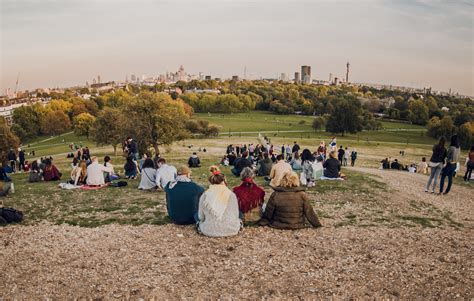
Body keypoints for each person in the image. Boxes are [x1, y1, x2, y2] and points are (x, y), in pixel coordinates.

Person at [196, 166, 241, 237]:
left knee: (197, 216)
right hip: (232, 230)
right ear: (224, 181)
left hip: (209, 230)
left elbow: (201, 217)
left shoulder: (205, 195)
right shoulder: (231, 194)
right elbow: (236, 215)